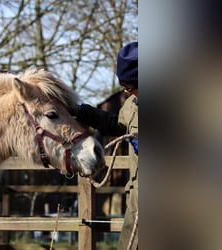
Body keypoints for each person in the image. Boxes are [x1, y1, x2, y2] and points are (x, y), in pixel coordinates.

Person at [75, 42, 138, 250]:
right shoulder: (131, 105)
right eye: (124, 85)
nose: (126, 91)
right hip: (137, 201)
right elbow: (115, 125)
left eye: (130, 85)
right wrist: (82, 112)